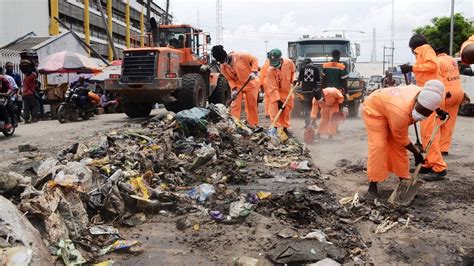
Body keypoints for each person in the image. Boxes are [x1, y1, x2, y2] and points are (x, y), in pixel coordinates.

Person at [363, 80, 446, 198]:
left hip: (392, 108)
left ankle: (404, 180)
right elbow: (402, 139)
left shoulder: (427, 93)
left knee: (398, 149)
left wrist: (439, 111)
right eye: (419, 111)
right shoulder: (400, 113)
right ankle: (373, 185)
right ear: (417, 100)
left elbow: (434, 101)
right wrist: (417, 153)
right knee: (379, 146)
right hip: (376, 109)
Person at [401, 34, 447, 181]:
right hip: (429, 96)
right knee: (427, 132)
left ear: (413, 46)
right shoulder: (423, 51)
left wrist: (412, 67)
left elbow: (433, 65)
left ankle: (439, 167)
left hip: (431, 97)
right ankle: (429, 162)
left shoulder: (424, 49)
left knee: (429, 133)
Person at [211, 45, 259, 127]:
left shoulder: (241, 56)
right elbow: (229, 79)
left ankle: (253, 124)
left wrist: (254, 72)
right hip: (238, 85)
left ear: (226, 56)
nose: (224, 63)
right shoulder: (223, 67)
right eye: (221, 62)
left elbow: (254, 59)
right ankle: (234, 124)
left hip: (250, 83)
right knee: (235, 105)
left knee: (251, 105)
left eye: (224, 60)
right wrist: (233, 89)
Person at [435, 47, 464, 156]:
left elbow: (438, 80)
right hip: (458, 93)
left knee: (437, 121)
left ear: (436, 52)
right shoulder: (452, 60)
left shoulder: (437, 61)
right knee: (449, 122)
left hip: (447, 94)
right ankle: (444, 148)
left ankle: (436, 147)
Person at [265, 48, 296, 135]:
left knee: (286, 111)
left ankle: (285, 128)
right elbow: (272, 87)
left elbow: (293, 73)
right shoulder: (270, 70)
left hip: (287, 92)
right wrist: (278, 100)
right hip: (276, 93)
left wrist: (294, 80)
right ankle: (275, 128)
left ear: (280, 59)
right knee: (275, 111)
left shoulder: (289, 63)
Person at [297, 57, 321, 128]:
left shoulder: (302, 69)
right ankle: (313, 123)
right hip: (313, 91)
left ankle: (307, 123)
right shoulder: (315, 68)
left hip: (305, 91)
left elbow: (300, 79)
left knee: (307, 107)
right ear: (311, 62)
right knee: (314, 107)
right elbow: (318, 79)